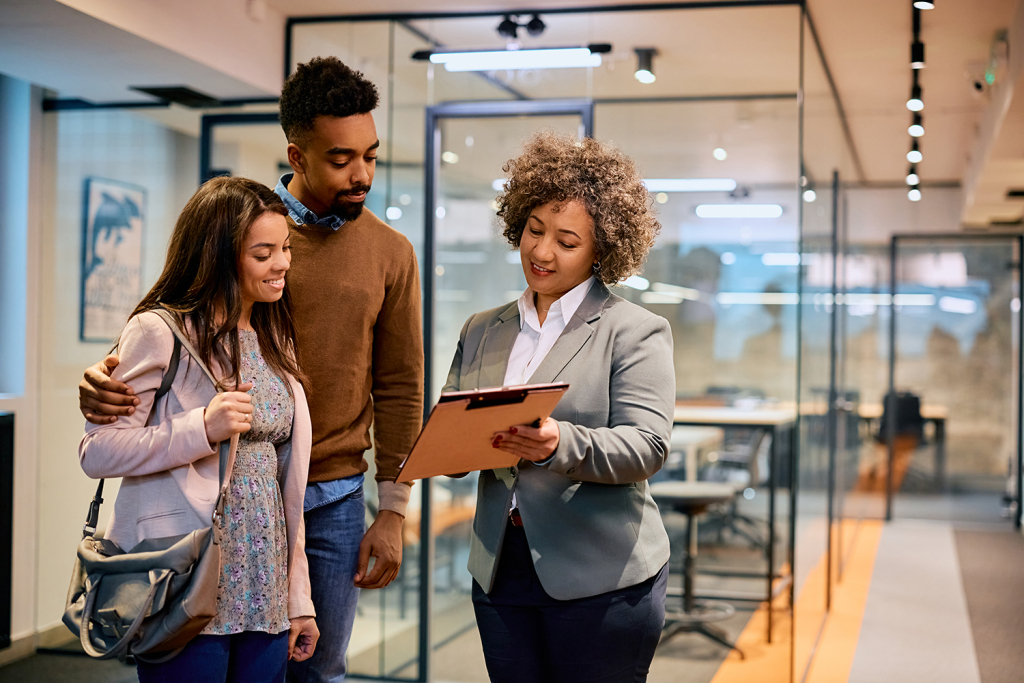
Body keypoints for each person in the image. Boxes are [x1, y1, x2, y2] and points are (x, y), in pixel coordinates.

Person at [78, 57, 423, 682]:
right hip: (225, 499)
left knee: (318, 668)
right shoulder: (242, 228)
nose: (363, 174)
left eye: (371, 156)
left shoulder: (390, 253)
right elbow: (175, 324)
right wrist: (104, 374)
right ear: (298, 152)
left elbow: (401, 385)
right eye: (343, 159)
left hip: (334, 494)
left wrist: (394, 508)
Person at [443, 131, 674, 683]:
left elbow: (648, 446)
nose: (542, 252)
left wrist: (557, 444)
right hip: (500, 568)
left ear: (602, 251)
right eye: (534, 230)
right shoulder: (482, 329)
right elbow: (453, 432)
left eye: (567, 242)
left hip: (603, 575)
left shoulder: (635, 331)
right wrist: (445, 447)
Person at [78, 176, 318, 682]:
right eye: (264, 253)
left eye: (286, 249)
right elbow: (97, 452)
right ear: (218, 256)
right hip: (183, 576)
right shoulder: (158, 331)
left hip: (264, 575)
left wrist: (300, 599)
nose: (283, 264)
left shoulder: (274, 336)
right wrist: (200, 429)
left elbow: (283, 484)